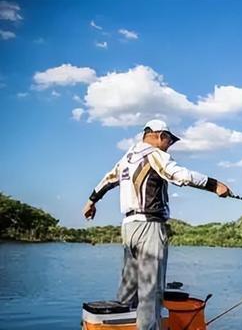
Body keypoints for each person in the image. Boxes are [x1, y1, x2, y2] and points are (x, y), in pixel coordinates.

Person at [82, 119, 231, 330]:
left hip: (129, 229)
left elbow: (106, 181)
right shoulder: (153, 154)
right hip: (149, 227)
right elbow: (179, 175)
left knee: (128, 292)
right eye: (170, 140)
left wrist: (91, 201)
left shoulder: (126, 159)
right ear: (159, 135)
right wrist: (214, 185)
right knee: (151, 294)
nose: (170, 145)